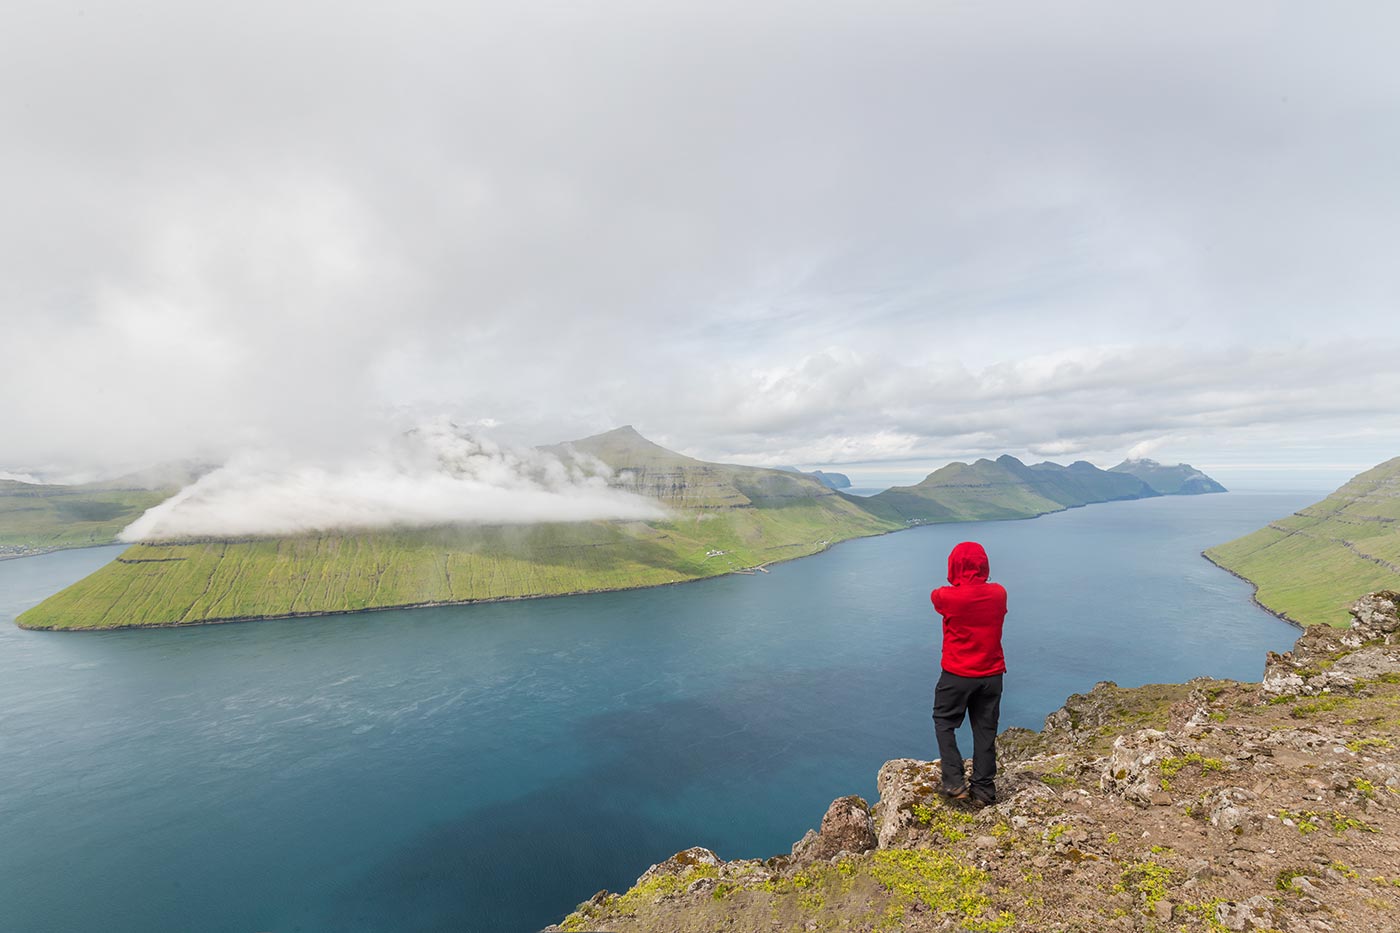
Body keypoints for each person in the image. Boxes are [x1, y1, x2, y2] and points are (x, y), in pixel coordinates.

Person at [930, 540, 1007, 805]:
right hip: (991, 676)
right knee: (985, 730)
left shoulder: (946, 597)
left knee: (944, 721)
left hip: (957, 675)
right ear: (984, 565)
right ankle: (983, 791)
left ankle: (954, 782)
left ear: (954, 566)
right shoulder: (999, 594)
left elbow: (937, 595)